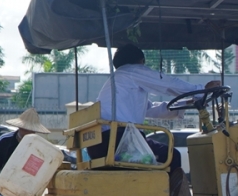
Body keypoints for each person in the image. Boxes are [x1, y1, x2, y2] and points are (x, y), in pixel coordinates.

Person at [89, 43, 220, 170]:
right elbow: (167, 83)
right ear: (141, 61)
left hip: (100, 143)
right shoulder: (132, 71)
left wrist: (187, 103)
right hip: (120, 140)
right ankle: (170, 192)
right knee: (171, 155)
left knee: (164, 155)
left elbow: (150, 110)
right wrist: (201, 90)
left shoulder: (119, 83)